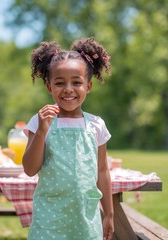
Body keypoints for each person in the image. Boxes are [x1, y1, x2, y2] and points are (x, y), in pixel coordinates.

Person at [23, 37, 114, 240]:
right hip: (49, 215)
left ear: (88, 86)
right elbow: (29, 169)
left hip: (85, 215)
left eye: (77, 82)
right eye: (60, 83)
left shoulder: (96, 125)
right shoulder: (39, 122)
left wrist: (109, 213)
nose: (68, 89)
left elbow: (102, 170)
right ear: (49, 87)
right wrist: (41, 132)